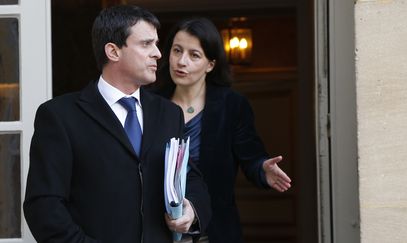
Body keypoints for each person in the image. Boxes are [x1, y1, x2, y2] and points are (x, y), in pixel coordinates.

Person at [23, 5, 211, 243]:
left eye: (156, 43)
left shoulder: (169, 114)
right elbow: (44, 206)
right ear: (113, 51)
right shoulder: (59, 116)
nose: (158, 53)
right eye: (146, 44)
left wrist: (191, 210)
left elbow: (191, 179)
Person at [153, 17, 292, 243]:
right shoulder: (151, 104)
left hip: (214, 230)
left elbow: (251, 157)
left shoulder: (231, 105)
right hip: (158, 230)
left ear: (210, 64)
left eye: (194, 55)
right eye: (177, 51)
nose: (181, 61)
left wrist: (262, 169)